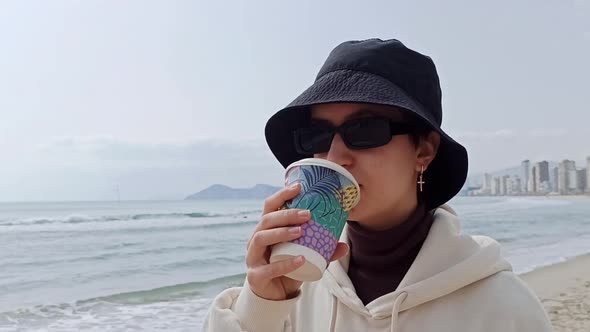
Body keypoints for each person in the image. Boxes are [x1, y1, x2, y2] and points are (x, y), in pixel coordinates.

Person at [202, 38, 552, 332]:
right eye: (318, 135)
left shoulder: (501, 308)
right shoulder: (298, 286)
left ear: (424, 150)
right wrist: (261, 305)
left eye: (365, 130)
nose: (336, 156)